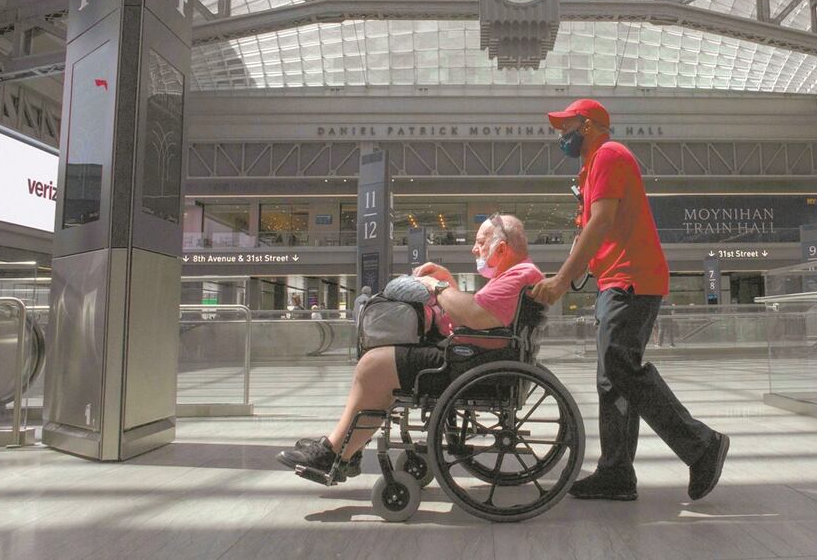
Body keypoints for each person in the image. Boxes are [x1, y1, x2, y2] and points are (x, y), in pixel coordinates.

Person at [530, 98, 729, 502]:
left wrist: (562, 281)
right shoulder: (591, 169)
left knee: (621, 366)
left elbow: (602, 222)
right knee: (610, 378)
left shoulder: (608, 155)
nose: (560, 135)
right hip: (617, 280)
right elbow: (597, 230)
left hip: (632, 279)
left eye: (565, 126)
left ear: (587, 126)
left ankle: (701, 445)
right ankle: (616, 473)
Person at [276, 213, 543, 481]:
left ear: (501, 248)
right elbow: (477, 315)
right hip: (477, 358)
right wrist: (449, 282)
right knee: (382, 364)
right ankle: (347, 445)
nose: (475, 249)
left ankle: (335, 452)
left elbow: (474, 315)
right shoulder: (519, 275)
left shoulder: (517, 275)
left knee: (374, 364)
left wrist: (437, 286)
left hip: (469, 363)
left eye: (481, 241)